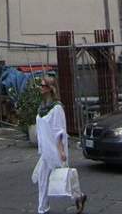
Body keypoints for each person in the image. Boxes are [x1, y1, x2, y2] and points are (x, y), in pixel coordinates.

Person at [32, 75, 86, 214]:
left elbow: (59, 130)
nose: (41, 88)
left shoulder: (57, 108)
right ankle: (42, 209)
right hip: (46, 150)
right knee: (43, 179)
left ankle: (78, 196)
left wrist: (61, 151)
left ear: (51, 89)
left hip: (55, 150)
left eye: (43, 85)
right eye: (41, 85)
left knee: (64, 177)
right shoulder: (41, 108)